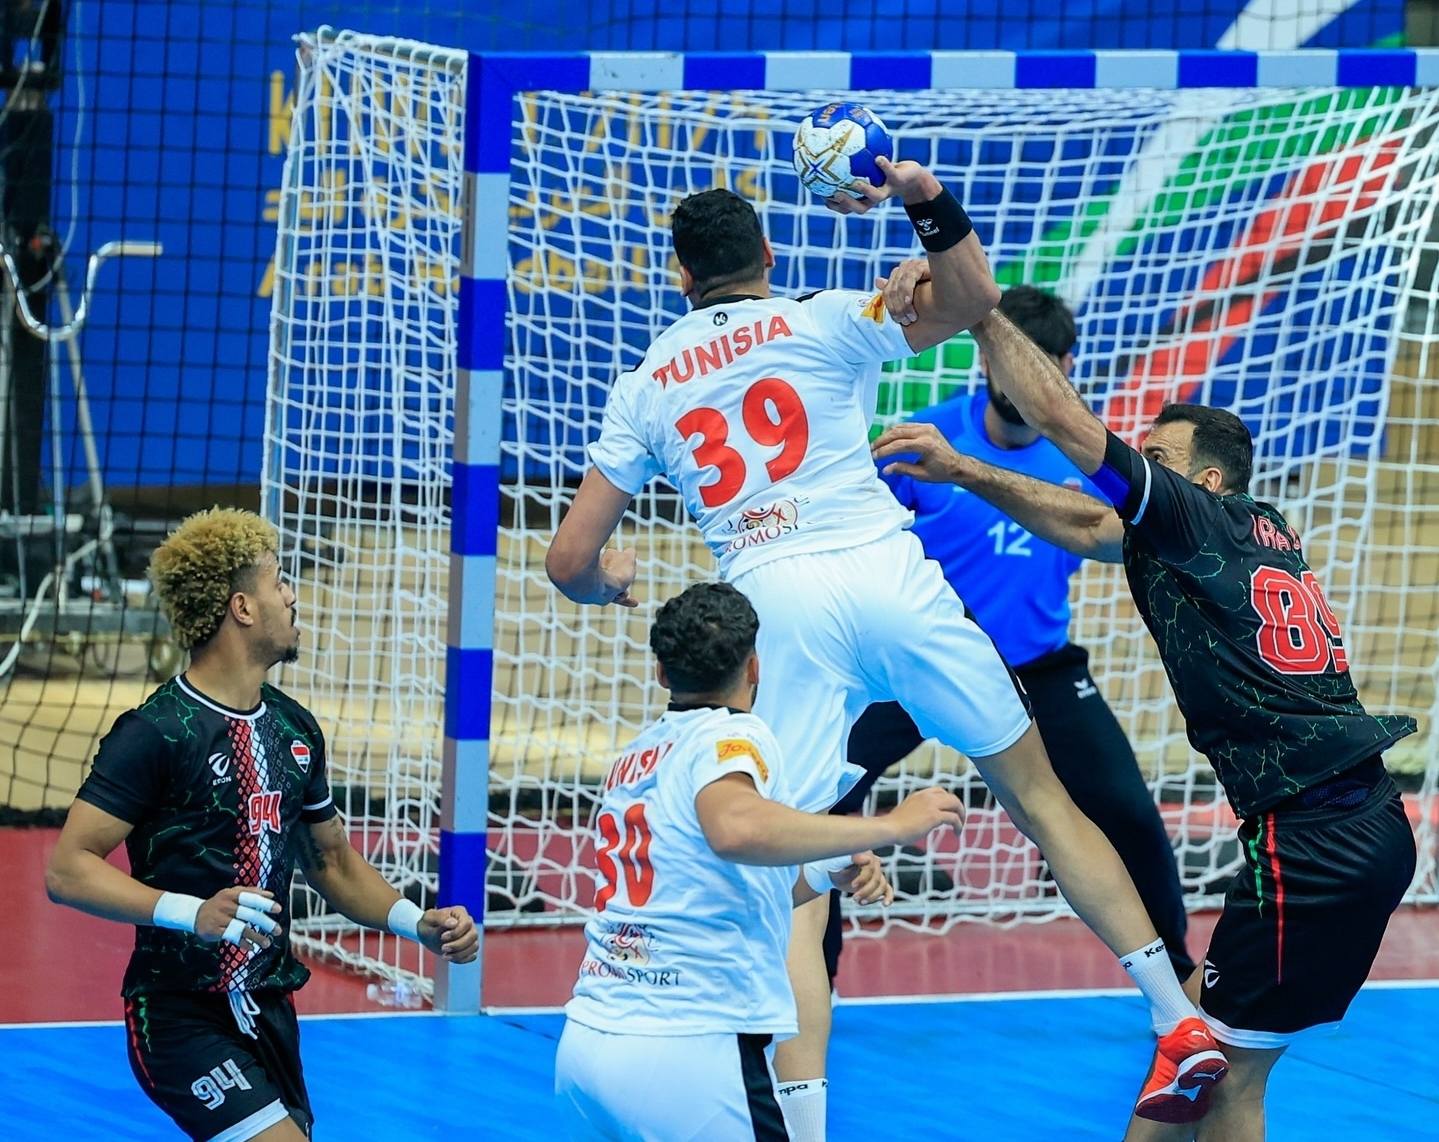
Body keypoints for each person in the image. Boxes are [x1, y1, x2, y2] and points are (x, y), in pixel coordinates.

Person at [545, 155, 1224, 1139]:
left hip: (778, 603)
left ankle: (803, 1124)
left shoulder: (645, 382)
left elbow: (568, 558)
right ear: (767, 253)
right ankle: (1173, 1016)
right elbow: (977, 300)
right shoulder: (823, 317)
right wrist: (919, 205)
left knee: (790, 880)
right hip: (889, 575)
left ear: (681, 276)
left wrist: (603, 583)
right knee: (1043, 799)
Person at [872, 283, 1418, 1139]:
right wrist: (965, 471)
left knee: (1229, 1082)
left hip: (1313, 842)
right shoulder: (1250, 528)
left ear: (1203, 481)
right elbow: (1088, 522)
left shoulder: (1193, 521)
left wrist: (978, 310)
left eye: (1156, 457)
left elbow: (1063, 422)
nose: (1139, 466)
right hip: (1347, 823)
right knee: (1186, 1052)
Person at [44, 508, 478, 1141]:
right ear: (242, 607)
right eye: (280, 582)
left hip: (269, 1008)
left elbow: (330, 862)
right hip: (179, 1015)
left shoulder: (294, 728)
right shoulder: (157, 732)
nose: (293, 596)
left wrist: (418, 923)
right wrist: (191, 912)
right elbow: (68, 869)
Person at [826, 285, 1192, 988]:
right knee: (823, 800)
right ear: (986, 359)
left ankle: (1179, 983)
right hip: (921, 663)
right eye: (1010, 359)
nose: (1022, 377)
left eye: (1043, 362)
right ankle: (811, 989)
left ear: (1062, 367)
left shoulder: (1093, 461)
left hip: (1038, 669)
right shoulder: (922, 441)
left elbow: (1138, 536)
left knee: (1126, 813)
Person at [555, 581, 962, 1140]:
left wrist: (826, 870)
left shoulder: (637, 754)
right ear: (754, 668)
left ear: (662, 673)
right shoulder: (734, 734)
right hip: (691, 1047)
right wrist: (893, 825)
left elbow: (712, 881)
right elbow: (736, 829)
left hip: (586, 1042)